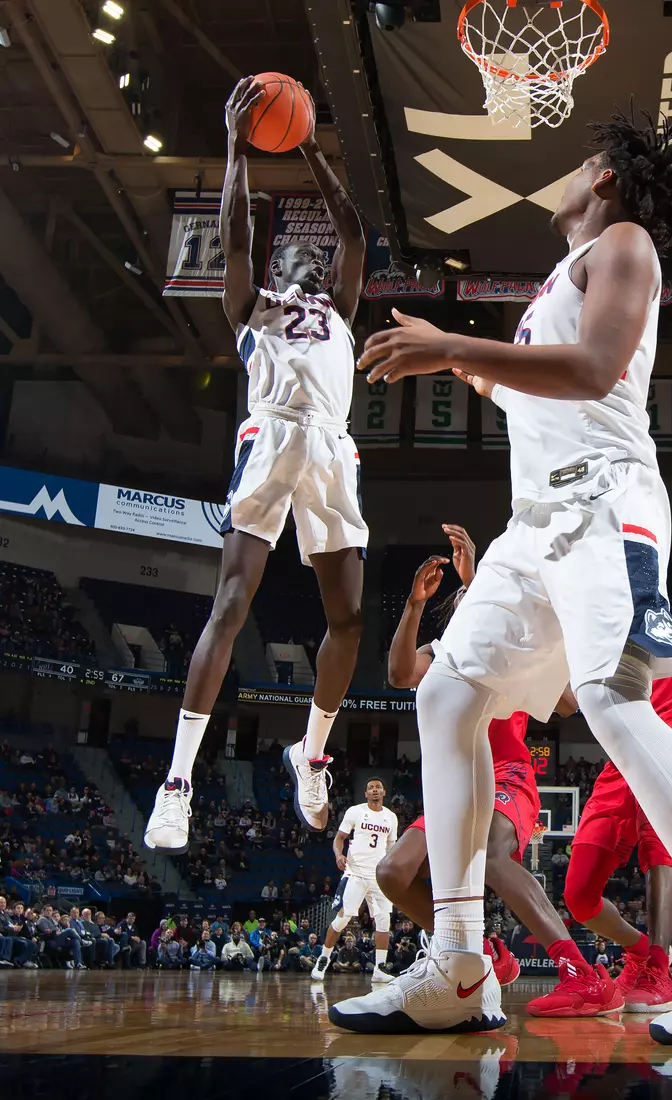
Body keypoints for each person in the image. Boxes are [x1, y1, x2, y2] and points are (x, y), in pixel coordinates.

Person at [332, 108, 672, 1042]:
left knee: (615, 702)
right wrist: (464, 366)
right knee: (447, 698)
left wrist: (453, 347)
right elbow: (527, 386)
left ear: (602, 178)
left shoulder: (624, 241)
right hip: (533, 527)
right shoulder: (561, 275)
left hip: (605, 502)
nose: (566, 174)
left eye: (578, 162)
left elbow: (595, 367)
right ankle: (462, 967)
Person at [144, 74, 367, 854]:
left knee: (347, 618)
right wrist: (238, 145)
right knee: (230, 604)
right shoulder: (251, 307)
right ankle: (176, 785)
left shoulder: (338, 312)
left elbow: (355, 236)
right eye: (293, 262)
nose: (306, 267)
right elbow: (237, 234)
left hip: (332, 444)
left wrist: (308, 147)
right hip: (270, 436)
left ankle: (311, 755)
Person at [374, 534, 619, 1015]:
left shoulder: (511, 646)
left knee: (490, 852)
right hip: (454, 782)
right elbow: (401, 673)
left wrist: (481, 586)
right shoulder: (444, 652)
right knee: (392, 872)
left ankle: (582, 974)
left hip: (508, 777)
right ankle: (483, 955)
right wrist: (414, 603)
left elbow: (566, 703)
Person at [563, 623, 672, 1014]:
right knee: (578, 896)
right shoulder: (596, 631)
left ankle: (659, 968)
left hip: (666, 754)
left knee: (659, 857)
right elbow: (567, 703)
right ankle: (639, 953)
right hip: (617, 766)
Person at [311, 778, 397, 984]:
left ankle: (380, 968)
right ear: (365, 794)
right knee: (344, 917)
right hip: (356, 872)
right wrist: (339, 855)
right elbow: (339, 838)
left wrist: (391, 872)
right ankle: (323, 959)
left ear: (384, 792)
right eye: (370, 788)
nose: (375, 790)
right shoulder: (355, 811)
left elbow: (392, 848)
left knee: (384, 919)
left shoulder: (391, 817)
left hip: (378, 875)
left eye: (378, 787)